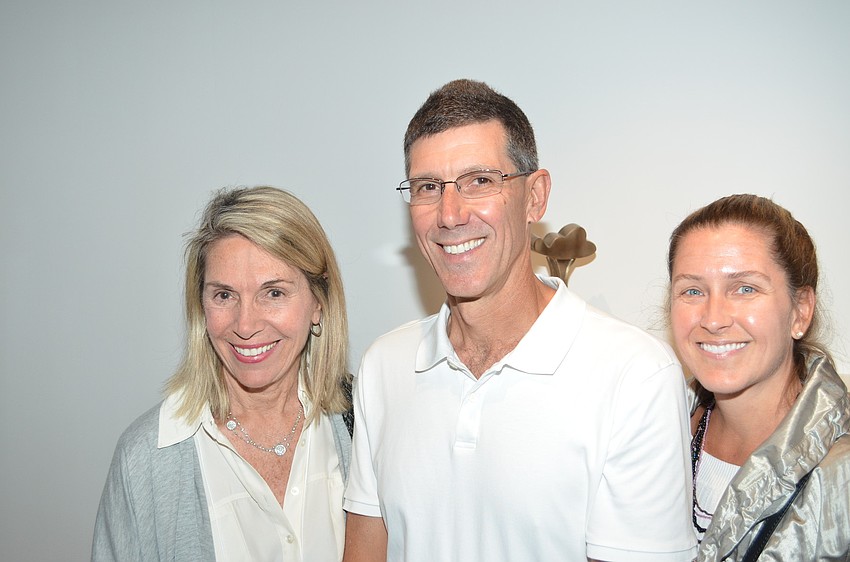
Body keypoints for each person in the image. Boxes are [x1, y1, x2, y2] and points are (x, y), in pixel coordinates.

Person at [342, 79, 697, 561]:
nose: (450, 215)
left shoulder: (635, 376)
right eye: (428, 187)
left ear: (535, 196)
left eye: (479, 181)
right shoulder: (385, 366)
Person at [92, 186, 353, 561]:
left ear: (318, 302)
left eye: (274, 293)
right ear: (201, 306)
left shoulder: (365, 424)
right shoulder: (145, 459)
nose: (245, 325)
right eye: (225, 295)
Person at [667, 194, 850, 560]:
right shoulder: (650, 429)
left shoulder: (839, 475)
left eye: (745, 288)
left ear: (800, 311)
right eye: (693, 290)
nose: (713, 319)